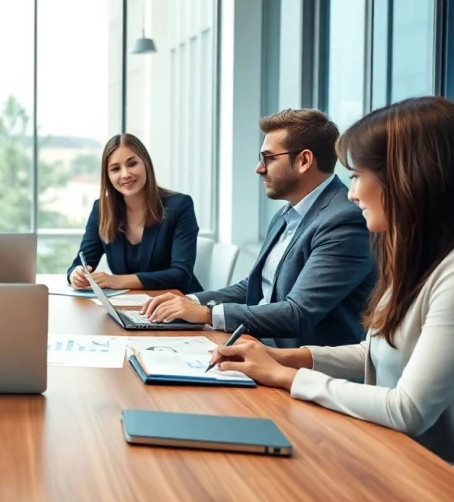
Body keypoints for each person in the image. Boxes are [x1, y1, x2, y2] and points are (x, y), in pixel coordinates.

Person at [210, 97, 454, 464]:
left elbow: (408, 409)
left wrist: (285, 377)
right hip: (389, 455)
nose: (351, 192)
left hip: (446, 480)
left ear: (408, 177)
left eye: (357, 176)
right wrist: (281, 357)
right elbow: (372, 354)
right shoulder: (417, 256)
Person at [144, 109, 375, 347]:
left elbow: (299, 313)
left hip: (296, 368)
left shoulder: (344, 220)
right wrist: (189, 301)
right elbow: (253, 287)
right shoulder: (286, 213)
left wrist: (208, 314)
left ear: (304, 161)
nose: (259, 168)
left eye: (269, 158)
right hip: (255, 347)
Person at [67, 133, 203, 293]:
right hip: (132, 307)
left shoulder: (179, 206)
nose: (125, 174)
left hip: (180, 307)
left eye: (132, 164)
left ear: (145, 164)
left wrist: (117, 280)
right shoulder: (101, 210)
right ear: (108, 176)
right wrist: (76, 275)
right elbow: (80, 263)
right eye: (115, 169)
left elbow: (181, 275)